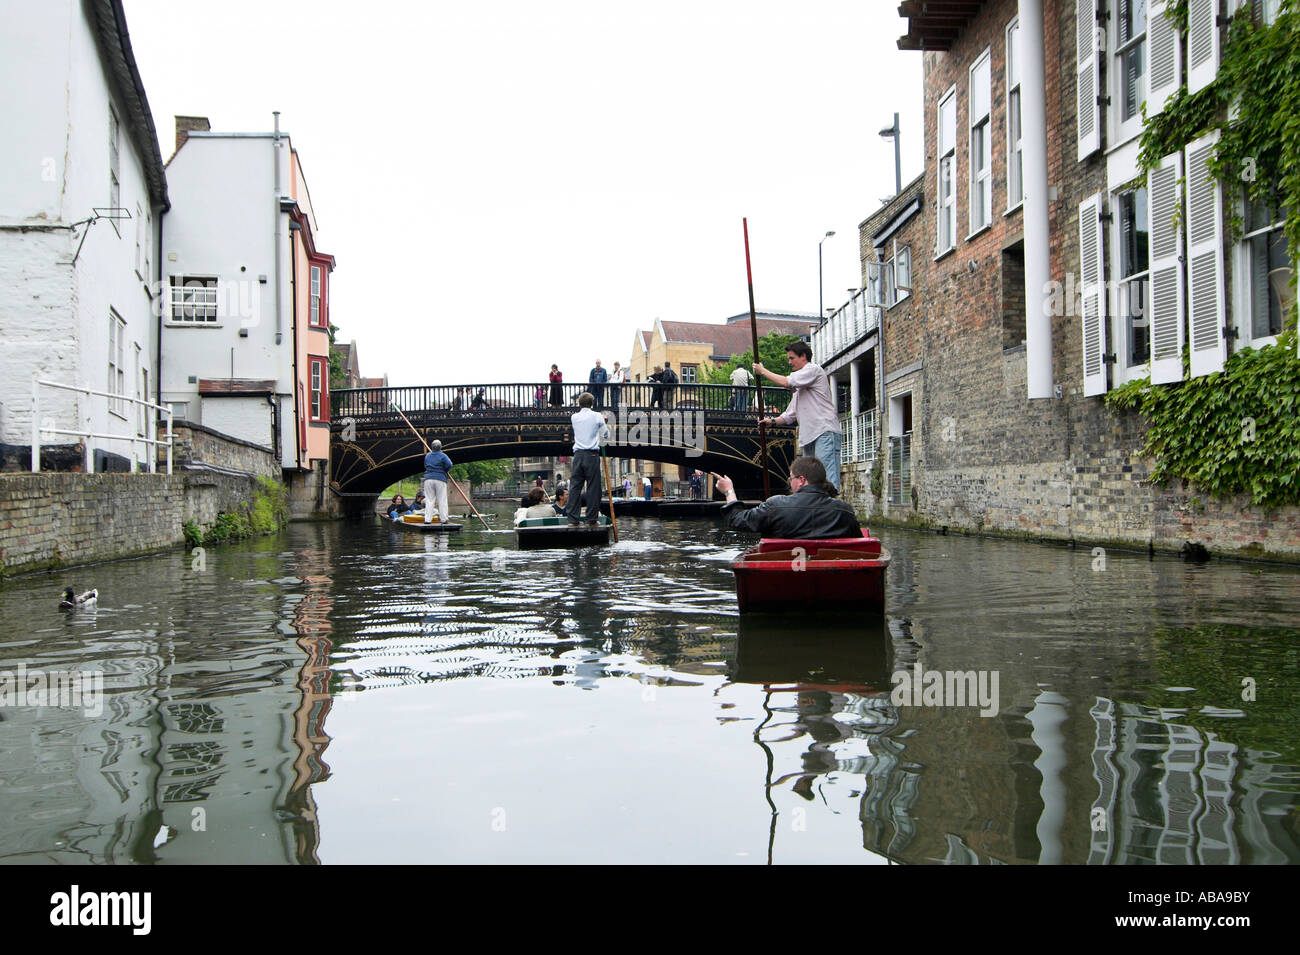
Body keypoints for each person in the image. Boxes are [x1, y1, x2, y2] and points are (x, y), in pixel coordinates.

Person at [755, 341, 842, 492]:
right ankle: (813, 511)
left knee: (826, 479)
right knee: (810, 481)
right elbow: (790, 415)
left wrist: (763, 371)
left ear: (803, 357)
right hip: (809, 436)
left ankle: (830, 511)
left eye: (792, 358)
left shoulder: (813, 370)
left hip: (824, 432)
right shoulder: (801, 389)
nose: (789, 362)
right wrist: (772, 422)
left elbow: (786, 382)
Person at [713, 456, 860, 538]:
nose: (790, 483)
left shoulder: (776, 505)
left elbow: (737, 520)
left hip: (784, 577)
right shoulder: (845, 511)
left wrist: (729, 491)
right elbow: (860, 547)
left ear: (802, 480)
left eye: (791, 479)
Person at [564, 392, 611, 525]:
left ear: (579, 403)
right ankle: (591, 519)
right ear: (592, 404)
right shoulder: (597, 417)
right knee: (593, 488)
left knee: (574, 487)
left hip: (578, 455)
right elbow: (606, 435)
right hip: (591, 455)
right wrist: (603, 421)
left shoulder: (574, 417)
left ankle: (572, 519)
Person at [422, 439, 453, 525]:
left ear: (432, 447)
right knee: (442, 499)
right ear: (440, 447)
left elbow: (425, 465)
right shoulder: (443, 456)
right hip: (440, 478)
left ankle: (427, 520)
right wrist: (445, 470)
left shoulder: (427, 456)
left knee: (429, 500)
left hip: (428, 479)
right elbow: (449, 465)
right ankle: (443, 519)